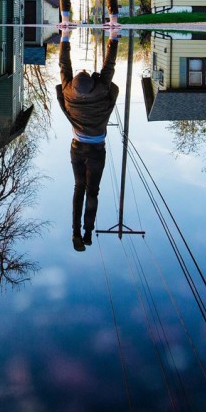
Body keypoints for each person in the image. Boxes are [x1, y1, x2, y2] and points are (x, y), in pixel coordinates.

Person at [56, 30, 120, 251]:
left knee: (88, 190)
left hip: (93, 149)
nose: (81, 70)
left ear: (74, 83)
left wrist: (114, 38)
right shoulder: (93, 90)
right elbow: (65, 65)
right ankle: (76, 231)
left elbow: (109, 66)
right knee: (80, 188)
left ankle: (87, 233)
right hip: (78, 148)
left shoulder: (70, 91)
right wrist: (64, 37)